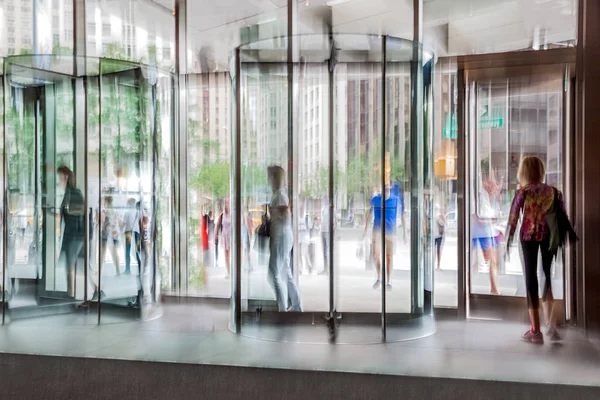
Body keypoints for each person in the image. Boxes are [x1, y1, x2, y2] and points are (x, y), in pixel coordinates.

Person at [506, 156, 564, 344]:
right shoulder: (554, 192)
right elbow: (561, 217)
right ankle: (552, 326)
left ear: (524, 171)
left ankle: (535, 331)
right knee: (546, 275)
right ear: (541, 170)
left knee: (531, 280)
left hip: (528, 237)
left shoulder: (522, 192)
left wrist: (508, 240)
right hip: (548, 237)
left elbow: (514, 217)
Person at [267, 165, 301, 312]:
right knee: (285, 273)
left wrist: (273, 213)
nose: (268, 179)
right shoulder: (279, 194)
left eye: (270, 176)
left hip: (281, 238)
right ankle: (296, 306)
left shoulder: (280, 195)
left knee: (272, 273)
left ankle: (282, 309)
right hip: (282, 237)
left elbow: (285, 215)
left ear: (274, 178)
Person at [364, 183, 399, 291]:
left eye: (388, 186)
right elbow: (369, 215)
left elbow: (400, 214)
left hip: (390, 231)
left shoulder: (395, 200)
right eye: (385, 186)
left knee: (389, 257)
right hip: (377, 230)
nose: (386, 187)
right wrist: (365, 229)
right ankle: (379, 278)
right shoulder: (375, 200)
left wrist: (405, 232)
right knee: (376, 255)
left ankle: (388, 281)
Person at [57, 166, 85, 298]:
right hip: (73, 233)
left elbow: (80, 212)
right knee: (71, 263)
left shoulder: (74, 193)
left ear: (66, 178)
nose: (59, 180)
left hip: (75, 234)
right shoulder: (69, 193)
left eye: (61, 177)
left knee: (70, 264)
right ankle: (70, 293)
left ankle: (71, 294)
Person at [471, 172, 501, 295]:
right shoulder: (479, 193)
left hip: (485, 230)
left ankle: (494, 289)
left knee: (492, 261)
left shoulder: (486, 195)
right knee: (486, 261)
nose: (495, 186)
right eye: (493, 182)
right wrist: (490, 219)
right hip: (481, 231)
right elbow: (477, 215)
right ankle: (493, 289)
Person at [101, 195, 122, 276]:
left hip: (106, 232)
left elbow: (102, 221)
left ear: (106, 201)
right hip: (115, 232)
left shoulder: (105, 210)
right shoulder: (115, 210)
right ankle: (118, 271)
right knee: (115, 252)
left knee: (102, 252)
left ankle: (100, 271)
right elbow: (119, 221)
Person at [214, 199, 231, 279]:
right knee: (226, 255)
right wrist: (215, 235)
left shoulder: (233, 214)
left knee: (232, 255)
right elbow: (217, 225)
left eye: (227, 203)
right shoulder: (222, 215)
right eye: (224, 203)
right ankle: (228, 272)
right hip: (224, 237)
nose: (225, 205)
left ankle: (233, 271)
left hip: (231, 237)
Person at [123, 198, 137, 275]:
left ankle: (128, 269)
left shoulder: (127, 213)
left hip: (128, 232)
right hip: (136, 232)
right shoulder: (136, 212)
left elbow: (124, 223)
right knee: (136, 251)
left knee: (127, 251)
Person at [320, 197, 330, 275]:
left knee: (327, 250)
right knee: (324, 250)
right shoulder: (323, 208)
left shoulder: (330, 208)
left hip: (327, 231)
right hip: (323, 230)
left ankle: (327, 269)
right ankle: (325, 268)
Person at [434, 202, 446, 270]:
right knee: (435, 251)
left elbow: (443, 224)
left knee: (438, 250)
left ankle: (438, 265)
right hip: (435, 235)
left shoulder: (439, 216)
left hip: (439, 235)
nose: (436, 210)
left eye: (436, 209)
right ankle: (436, 264)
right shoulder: (435, 215)